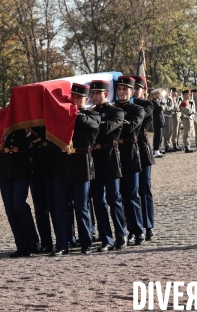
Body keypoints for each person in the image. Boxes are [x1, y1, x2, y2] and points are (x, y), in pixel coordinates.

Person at [52, 83, 100, 256]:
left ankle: (86, 243)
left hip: (81, 163)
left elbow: (91, 125)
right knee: (61, 207)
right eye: (73, 96)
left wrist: (73, 111)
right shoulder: (64, 115)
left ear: (86, 99)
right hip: (62, 163)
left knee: (81, 207)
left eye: (79, 97)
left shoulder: (92, 114)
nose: (75, 100)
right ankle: (62, 244)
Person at [90, 80, 127, 251]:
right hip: (95, 159)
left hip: (110, 158)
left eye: (97, 93)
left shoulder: (116, 111)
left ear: (106, 94)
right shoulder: (90, 112)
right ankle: (106, 239)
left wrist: (92, 124)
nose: (94, 96)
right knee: (98, 201)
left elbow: (106, 129)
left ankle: (121, 234)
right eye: (92, 93)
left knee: (114, 200)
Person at [0, 128, 40, 257]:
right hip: (4, 166)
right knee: (10, 209)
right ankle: (21, 245)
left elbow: (36, 140)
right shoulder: (3, 118)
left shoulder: (26, 120)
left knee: (18, 204)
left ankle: (33, 242)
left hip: (21, 165)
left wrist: (28, 132)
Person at [114, 76, 146, 246]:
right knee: (118, 196)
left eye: (125, 89)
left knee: (132, 195)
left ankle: (138, 230)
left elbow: (132, 126)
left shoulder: (137, 109)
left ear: (132, 92)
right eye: (119, 89)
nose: (121, 92)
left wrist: (115, 123)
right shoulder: (112, 108)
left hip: (130, 154)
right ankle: (125, 230)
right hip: (115, 154)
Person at [29, 126, 60, 253]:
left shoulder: (49, 121)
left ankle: (61, 241)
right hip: (35, 170)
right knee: (39, 208)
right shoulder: (28, 124)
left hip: (51, 169)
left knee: (54, 207)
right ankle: (46, 242)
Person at [132, 77, 156, 241]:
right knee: (130, 192)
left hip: (142, 149)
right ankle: (134, 227)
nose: (133, 91)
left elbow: (141, 116)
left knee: (144, 189)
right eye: (131, 88)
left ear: (143, 90)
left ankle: (148, 226)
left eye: (137, 88)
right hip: (128, 151)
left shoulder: (147, 105)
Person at [150, 88, 166, 158]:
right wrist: (162, 103)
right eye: (158, 94)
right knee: (158, 137)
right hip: (157, 121)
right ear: (154, 95)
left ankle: (158, 150)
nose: (159, 95)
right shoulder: (154, 102)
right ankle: (156, 150)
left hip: (160, 121)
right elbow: (160, 109)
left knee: (160, 136)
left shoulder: (157, 101)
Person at [162, 88, 174, 152]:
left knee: (170, 131)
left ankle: (168, 144)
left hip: (170, 115)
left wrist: (169, 108)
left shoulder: (170, 99)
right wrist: (168, 108)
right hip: (165, 116)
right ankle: (166, 145)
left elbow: (172, 107)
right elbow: (164, 108)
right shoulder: (163, 98)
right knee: (166, 131)